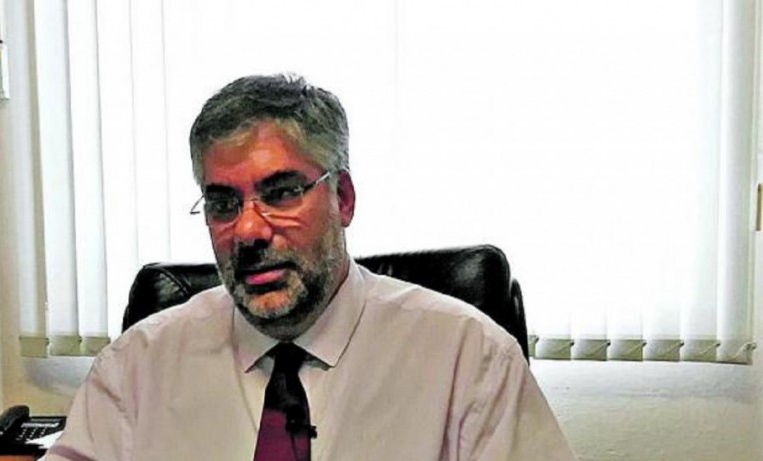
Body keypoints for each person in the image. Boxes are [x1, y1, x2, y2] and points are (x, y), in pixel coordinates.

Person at [45, 73, 576, 460]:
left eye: (281, 193)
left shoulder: (468, 359)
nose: (247, 230)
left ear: (342, 198)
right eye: (223, 203)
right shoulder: (138, 366)